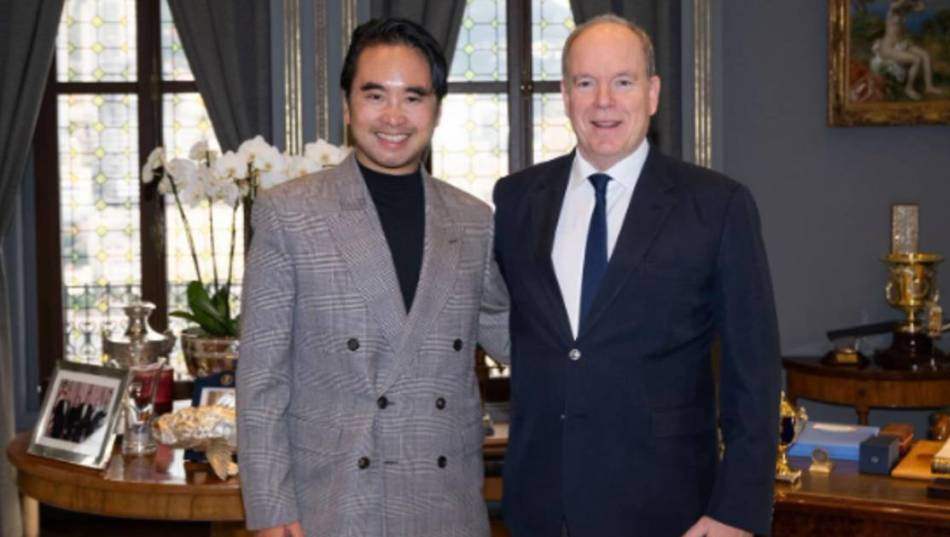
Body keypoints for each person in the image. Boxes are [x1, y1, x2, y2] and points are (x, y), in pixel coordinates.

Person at [492, 15, 780, 537]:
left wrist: (737, 510)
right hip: (541, 506)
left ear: (652, 94)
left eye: (623, 82)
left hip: (669, 510)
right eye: (586, 82)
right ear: (566, 95)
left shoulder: (717, 206)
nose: (603, 101)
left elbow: (753, 373)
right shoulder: (515, 200)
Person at [237, 18, 509, 537]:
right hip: (336, 505)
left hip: (447, 507)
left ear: (436, 110)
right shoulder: (289, 214)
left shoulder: (473, 220)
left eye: (413, 97)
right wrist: (271, 509)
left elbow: (516, 335)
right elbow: (260, 379)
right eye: (375, 95)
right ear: (347, 106)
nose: (393, 116)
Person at [873, 0, 944, 100]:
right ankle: (909, 88)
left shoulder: (904, 10)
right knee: (916, 60)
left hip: (900, 44)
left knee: (925, 55)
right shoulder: (892, 11)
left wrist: (914, 3)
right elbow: (896, 5)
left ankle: (929, 87)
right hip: (888, 47)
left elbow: (921, 7)